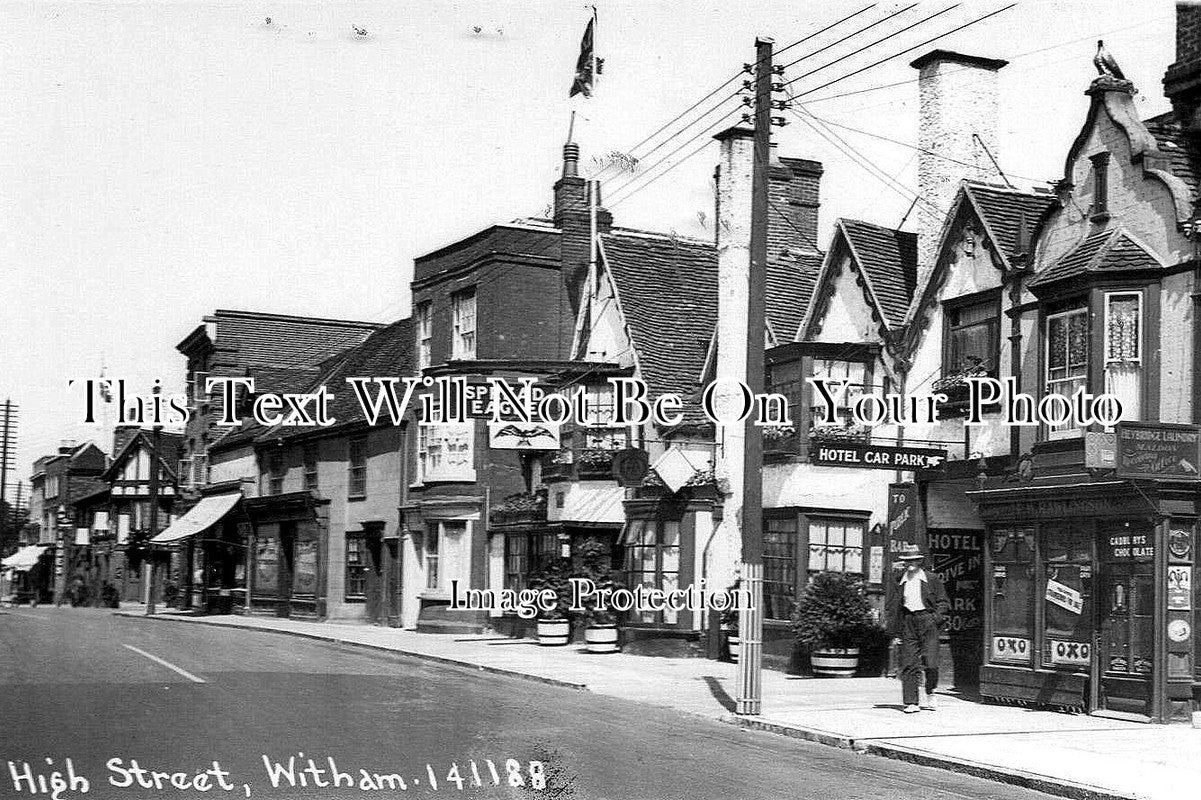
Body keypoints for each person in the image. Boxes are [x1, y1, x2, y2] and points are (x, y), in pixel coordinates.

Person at [885, 543, 950, 713]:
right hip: (908, 621)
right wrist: (895, 630)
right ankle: (911, 702)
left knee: (931, 662)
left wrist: (935, 618)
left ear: (920, 561)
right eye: (907, 560)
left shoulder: (931, 579)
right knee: (908, 663)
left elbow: (943, 602)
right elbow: (894, 605)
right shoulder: (900, 580)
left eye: (914, 560)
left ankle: (930, 691)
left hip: (927, 620)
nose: (911, 563)